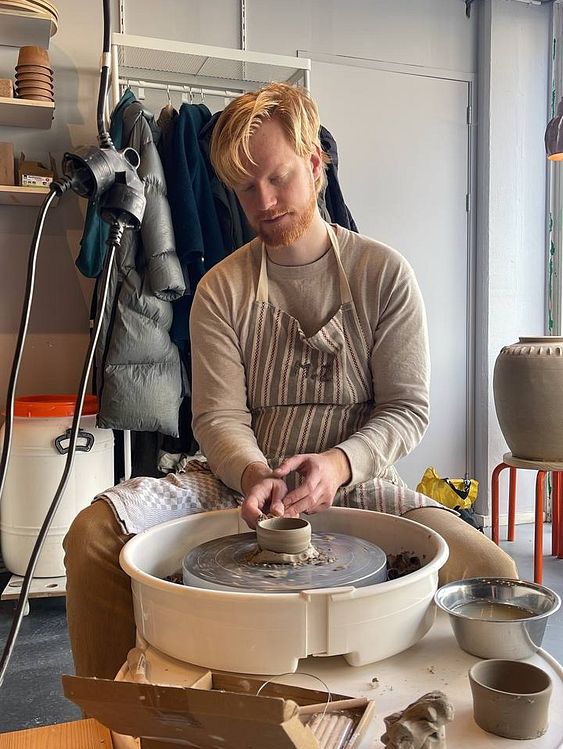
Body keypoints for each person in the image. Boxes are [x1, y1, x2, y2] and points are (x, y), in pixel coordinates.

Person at [64, 82, 517, 679]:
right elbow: (218, 418)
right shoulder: (221, 289)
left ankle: (438, 725)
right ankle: (116, 732)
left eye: (278, 177)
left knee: (496, 580)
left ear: (314, 161)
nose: (265, 201)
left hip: (358, 481)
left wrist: (338, 463)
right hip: (239, 484)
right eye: (245, 188)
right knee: (93, 535)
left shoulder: (383, 275)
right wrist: (252, 471)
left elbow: (407, 409)